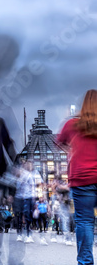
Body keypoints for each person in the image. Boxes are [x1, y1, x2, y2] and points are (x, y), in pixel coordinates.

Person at [58, 89, 97, 264]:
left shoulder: (72, 124)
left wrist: (73, 150)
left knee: (85, 222)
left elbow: (60, 142)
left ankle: (86, 262)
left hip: (82, 179)